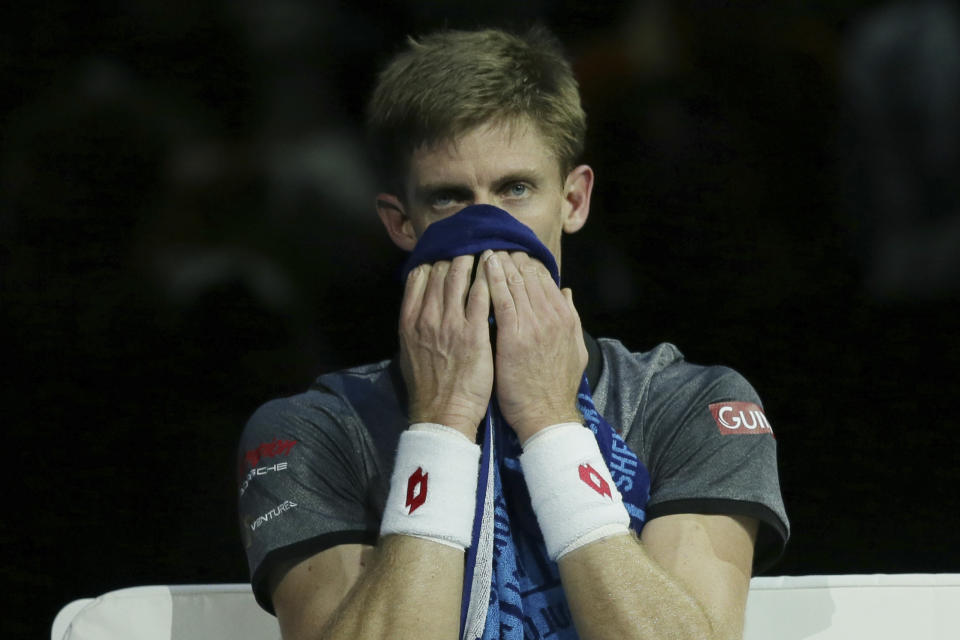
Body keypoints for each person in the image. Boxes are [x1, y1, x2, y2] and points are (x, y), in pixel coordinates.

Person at [236, 26, 788, 640]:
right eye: (448, 199)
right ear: (401, 223)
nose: (485, 227)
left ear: (574, 201)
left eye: (515, 189)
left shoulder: (686, 406)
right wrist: (441, 425)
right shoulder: (316, 432)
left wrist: (552, 424)